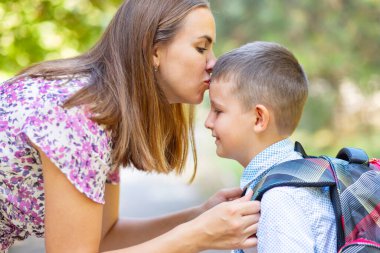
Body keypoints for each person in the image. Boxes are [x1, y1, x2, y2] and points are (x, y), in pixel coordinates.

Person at [0, 0, 261, 252]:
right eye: (201, 48)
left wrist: (199, 216)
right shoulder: (78, 117)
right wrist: (199, 236)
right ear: (153, 51)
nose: (213, 63)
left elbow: (106, 237)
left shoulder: (104, 112)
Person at [205, 42, 337, 253]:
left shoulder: (280, 199)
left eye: (218, 111)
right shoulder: (297, 175)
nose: (208, 122)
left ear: (258, 118)